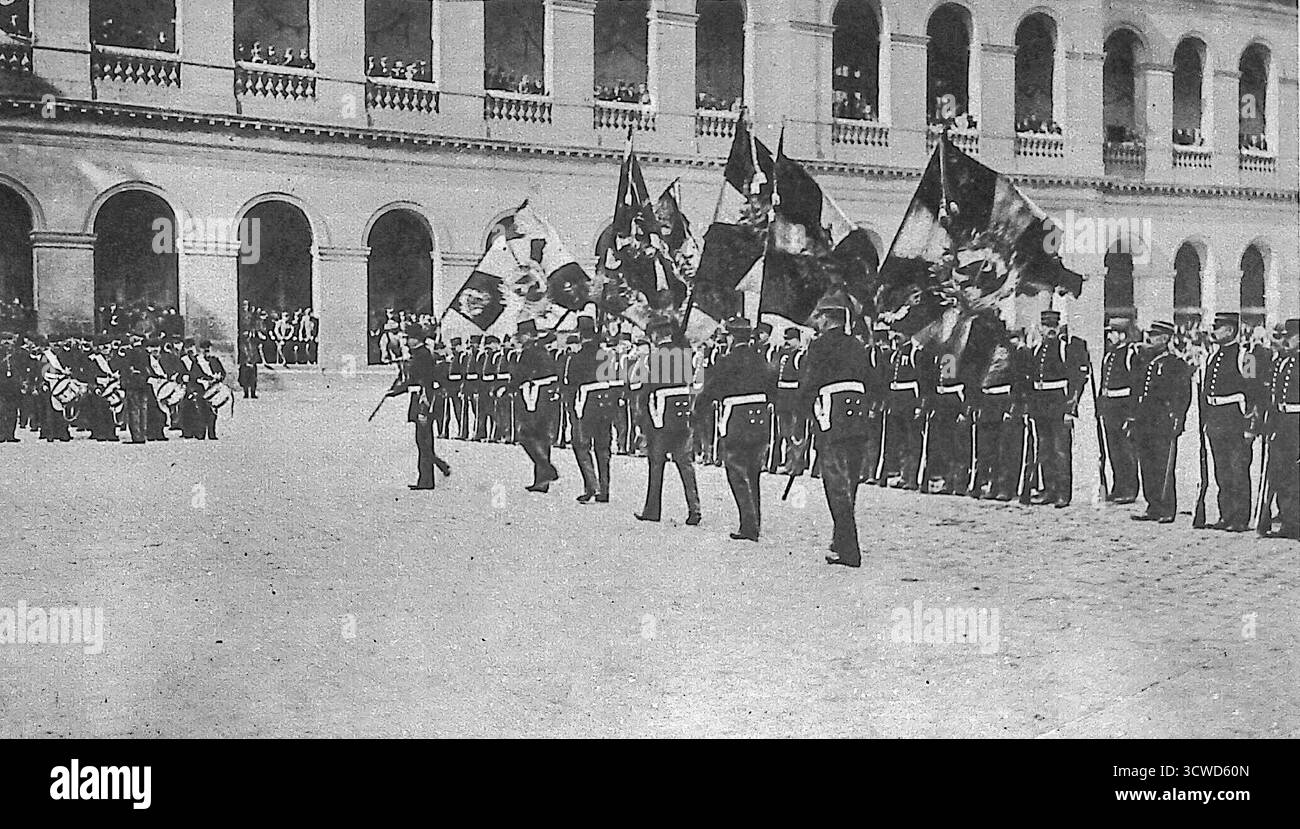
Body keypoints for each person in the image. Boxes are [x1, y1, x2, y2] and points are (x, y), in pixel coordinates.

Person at [798, 295, 872, 567]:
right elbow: (872, 380)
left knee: (835, 483)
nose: (816, 321)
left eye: (819, 317)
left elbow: (809, 383)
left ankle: (850, 549)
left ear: (828, 318)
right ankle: (839, 541)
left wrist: (804, 413)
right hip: (858, 415)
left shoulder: (819, 346)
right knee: (850, 480)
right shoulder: (858, 345)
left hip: (831, 414)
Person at [693, 317, 776, 541]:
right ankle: (755, 518)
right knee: (753, 471)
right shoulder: (760, 360)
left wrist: (696, 412)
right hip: (759, 420)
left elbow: (711, 390)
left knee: (736, 470)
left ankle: (749, 525)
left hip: (736, 420)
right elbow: (773, 383)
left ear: (730, 338)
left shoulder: (726, 361)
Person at [1199, 312, 1269, 532]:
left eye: (1218, 328)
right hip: (1216, 418)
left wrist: (1251, 427)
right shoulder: (1212, 356)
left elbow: (1255, 393)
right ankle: (1226, 515)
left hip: (1235, 418)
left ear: (1229, 330)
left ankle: (1240, 518)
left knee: (1238, 470)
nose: (1214, 332)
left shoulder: (1246, 357)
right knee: (1222, 471)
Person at [634, 317, 700, 525]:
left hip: (660, 417)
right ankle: (694, 509)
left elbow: (647, 389)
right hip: (682, 414)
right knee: (685, 463)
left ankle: (652, 510)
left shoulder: (654, 358)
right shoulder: (685, 355)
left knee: (656, 463)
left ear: (656, 335)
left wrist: (642, 418)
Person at [1128, 321, 1193, 524]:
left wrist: (1178, 418)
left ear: (1165, 339)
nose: (1150, 339)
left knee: (1163, 465)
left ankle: (1167, 507)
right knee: (1146, 464)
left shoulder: (1175, 363)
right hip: (1145, 419)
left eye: (1155, 336)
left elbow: (1183, 395)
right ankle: (1153, 505)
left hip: (1163, 419)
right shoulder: (1146, 361)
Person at [1026, 310, 1090, 507]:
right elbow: (1032, 381)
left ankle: (1064, 493)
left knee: (1060, 450)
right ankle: (1049, 490)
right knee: (1044, 450)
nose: (1050, 329)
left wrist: (1071, 409)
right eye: (1046, 326)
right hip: (1041, 406)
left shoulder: (1065, 349)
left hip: (1059, 405)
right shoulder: (1036, 350)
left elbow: (1076, 381)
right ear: (1041, 328)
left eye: (1053, 325)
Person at [389, 323, 450, 490]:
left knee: (424, 441)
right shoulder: (418, 354)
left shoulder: (422, 355)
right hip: (420, 398)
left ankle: (427, 479)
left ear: (416, 339)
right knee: (422, 441)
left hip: (424, 401)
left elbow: (419, 380)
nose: (406, 341)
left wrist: (397, 391)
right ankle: (430, 474)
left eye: (408, 338)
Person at [568, 317, 619, 503]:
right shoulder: (605, 355)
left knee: (581, 445)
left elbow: (572, 383)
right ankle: (603, 490)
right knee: (603, 448)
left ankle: (592, 485)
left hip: (586, 404)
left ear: (581, 335)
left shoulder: (577, 357)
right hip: (605, 405)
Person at [510, 319, 561, 493]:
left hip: (537, 396)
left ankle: (546, 469)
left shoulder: (530, 351)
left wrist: (509, 387)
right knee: (541, 437)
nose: (520, 339)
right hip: (544, 395)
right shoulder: (540, 349)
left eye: (521, 336)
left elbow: (520, 374)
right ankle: (542, 480)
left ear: (528, 336)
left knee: (525, 435)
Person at [1259, 318, 1298, 539]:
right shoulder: (1283, 360)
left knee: (1294, 474)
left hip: (1296, 422)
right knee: (1282, 472)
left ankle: (1293, 522)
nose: (1284, 341)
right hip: (1283, 421)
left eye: (1289, 336)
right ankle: (1287, 515)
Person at [1098, 317, 1140, 504]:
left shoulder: (1131, 354)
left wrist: (1132, 414)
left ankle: (1129, 489)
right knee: (1113, 449)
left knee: (1126, 450)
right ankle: (1118, 486)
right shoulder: (1110, 355)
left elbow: (1136, 385)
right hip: (1110, 408)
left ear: (1122, 335)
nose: (1109, 336)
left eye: (1112, 333)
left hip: (1123, 407)